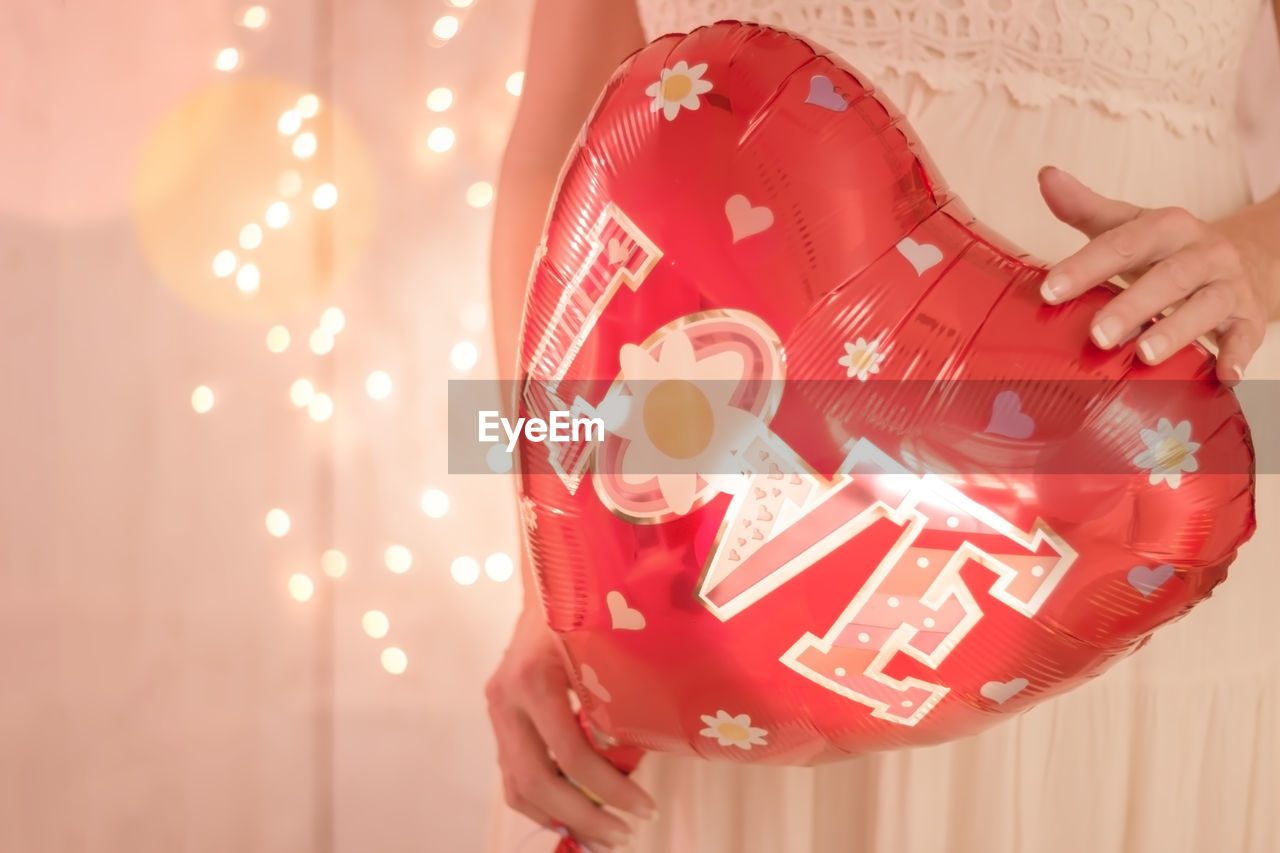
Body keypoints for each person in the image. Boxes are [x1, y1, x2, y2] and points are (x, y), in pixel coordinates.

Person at [485, 2, 1280, 851]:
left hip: (1128, 509)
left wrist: (1260, 257)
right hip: (711, 590)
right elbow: (557, 149)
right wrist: (550, 556)